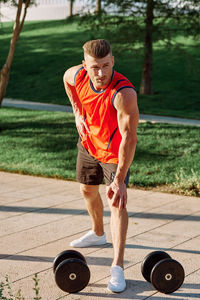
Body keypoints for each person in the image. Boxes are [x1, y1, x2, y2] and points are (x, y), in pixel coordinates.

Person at [63, 39, 139, 293]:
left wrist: (119, 178)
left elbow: (129, 137)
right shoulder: (77, 76)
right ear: (85, 65)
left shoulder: (123, 93)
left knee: (117, 202)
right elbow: (66, 78)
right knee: (86, 190)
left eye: (106, 66)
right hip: (88, 142)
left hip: (114, 153)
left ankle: (117, 266)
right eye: (95, 67)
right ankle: (98, 233)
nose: (101, 73)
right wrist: (76, 112)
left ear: (113, 61)